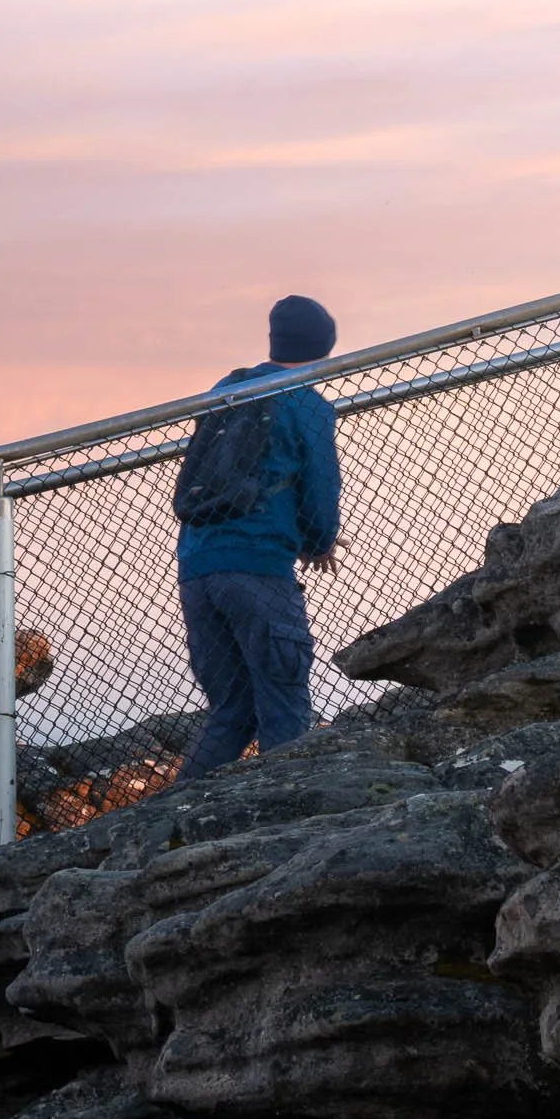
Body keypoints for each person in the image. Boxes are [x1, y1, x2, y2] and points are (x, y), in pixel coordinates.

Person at [174, 293, 342, 782]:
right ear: (325, 347)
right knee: (283, 700)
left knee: (233, 708)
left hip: (198, 565)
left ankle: (167, 821)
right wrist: (317, 541)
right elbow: (320, 490)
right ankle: (287, 814)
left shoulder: (227, 390)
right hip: (259, 568)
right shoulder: (306, 404)